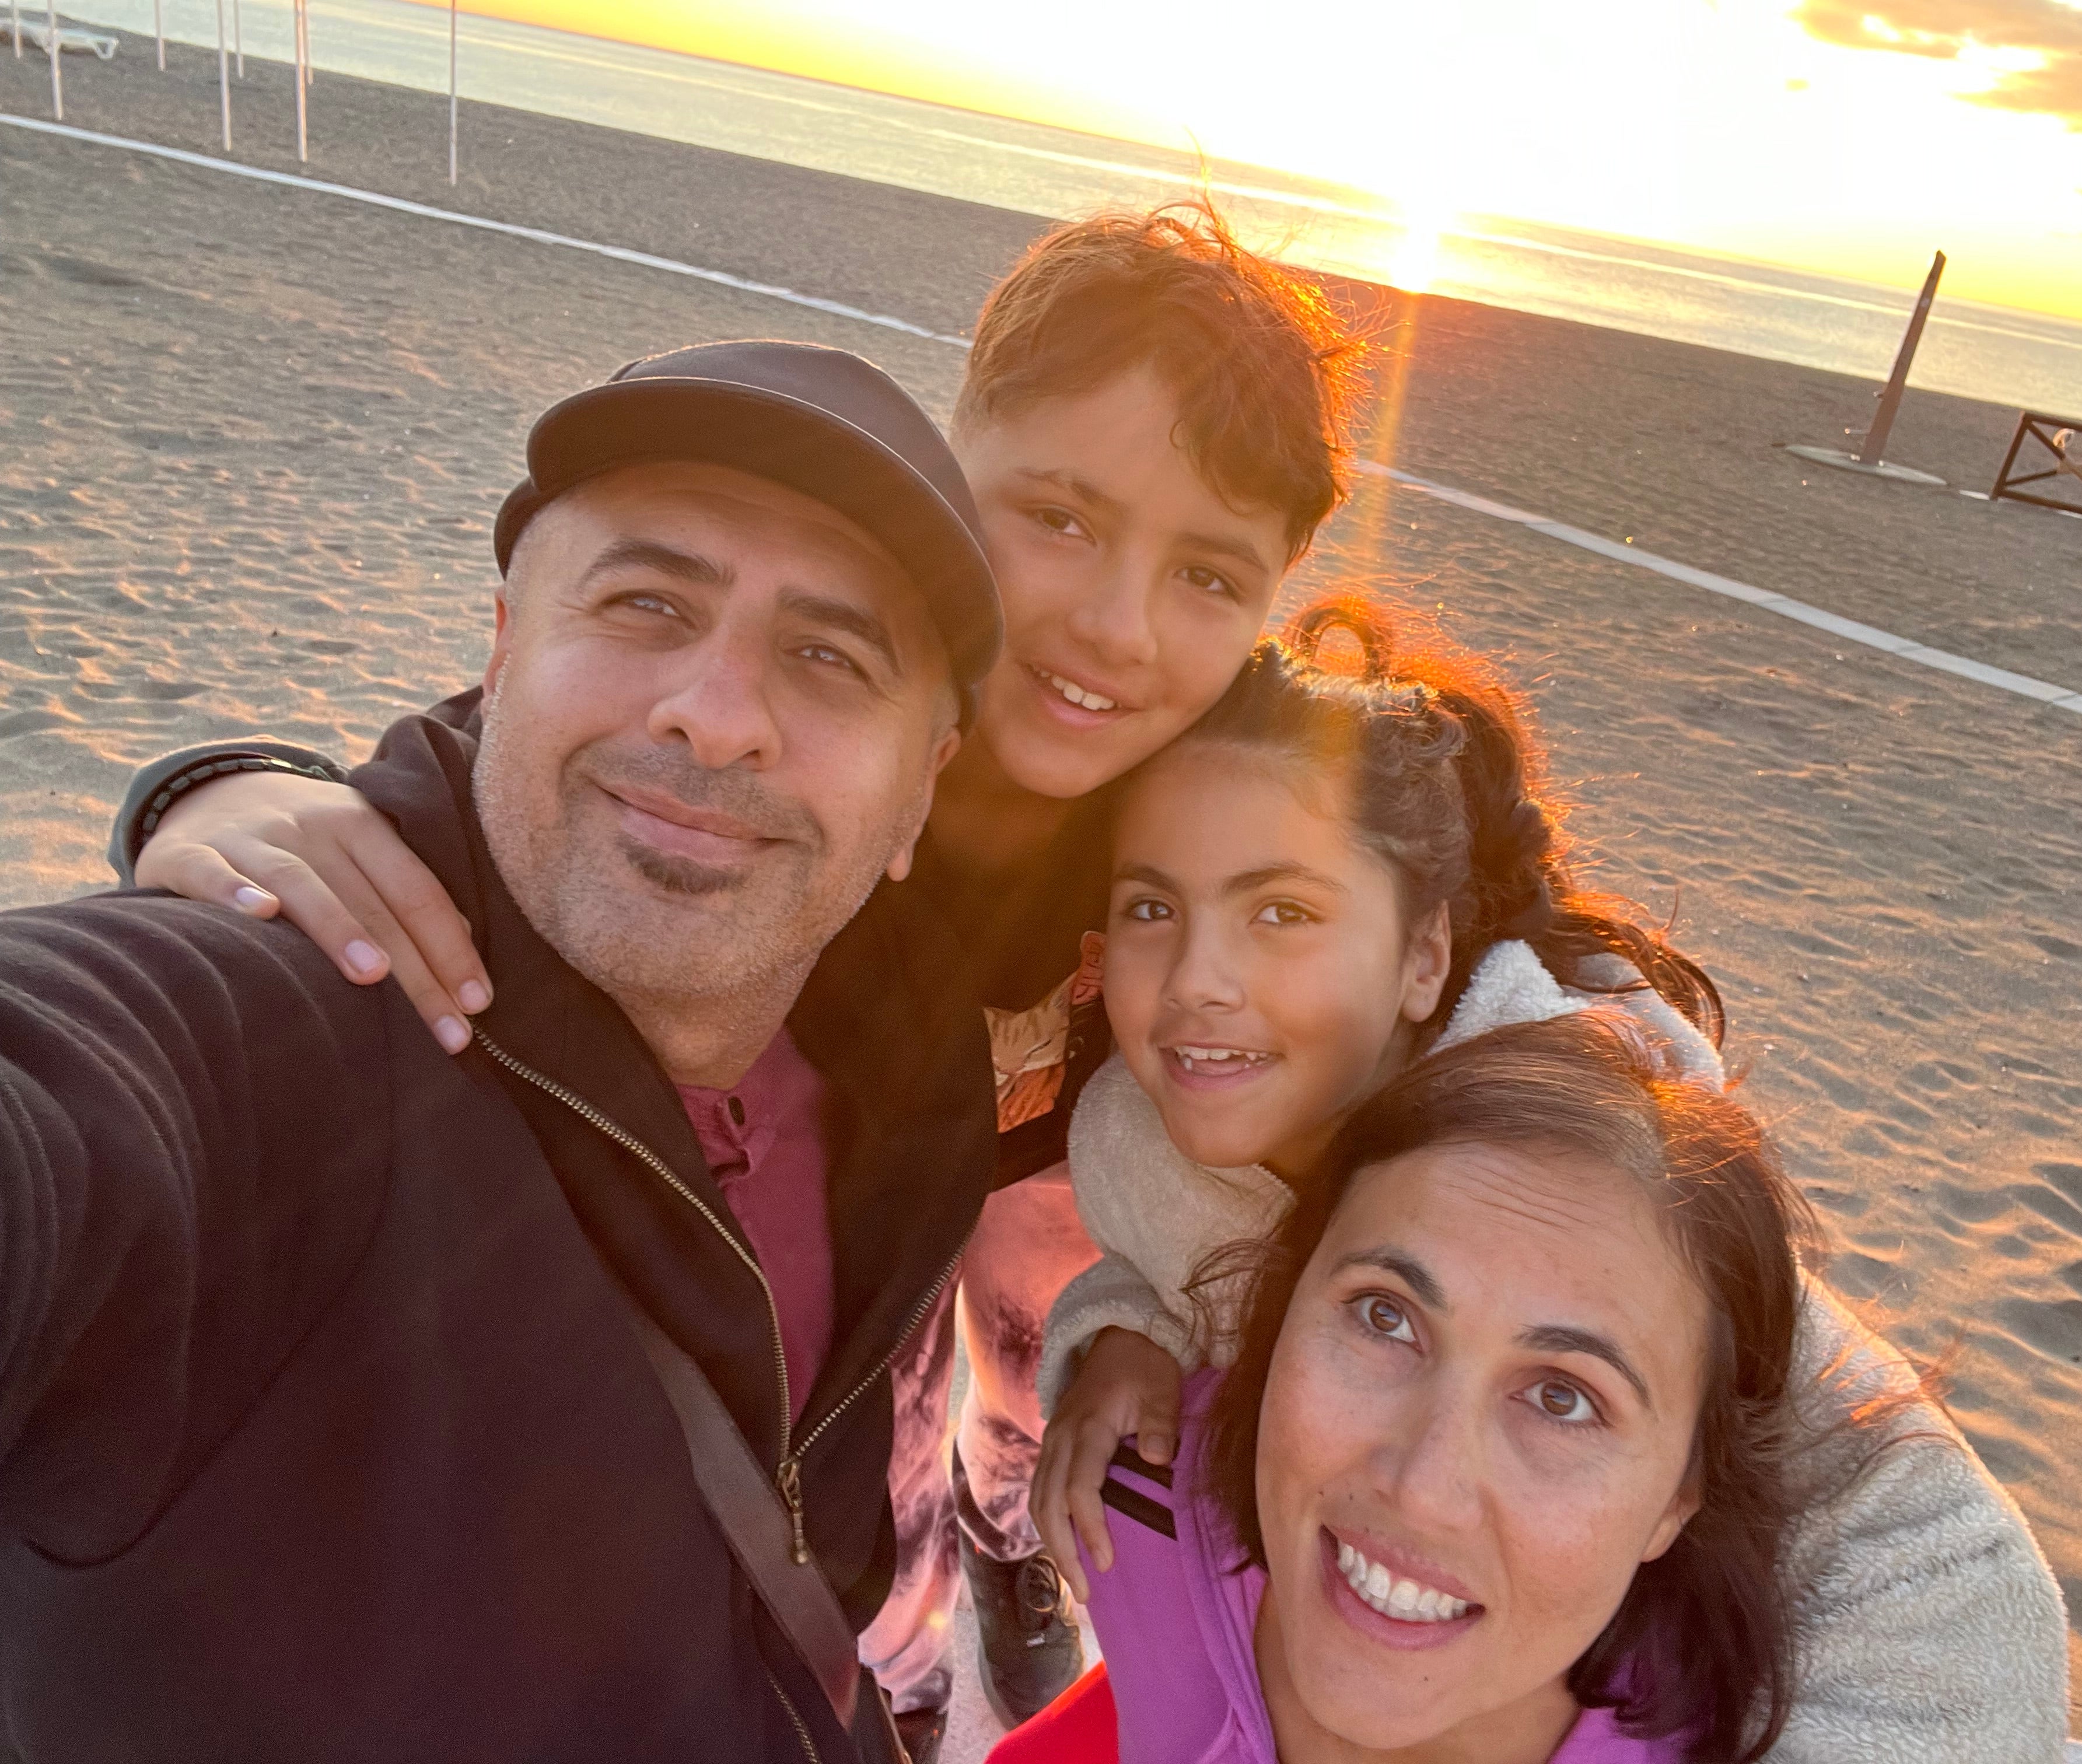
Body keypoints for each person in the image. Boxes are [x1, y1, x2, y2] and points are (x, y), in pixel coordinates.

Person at [102, 203, 1367, 1747]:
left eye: (1211, 579)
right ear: (956, 466)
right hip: (807, 1311)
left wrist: (1570, 1006)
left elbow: (1424, 871)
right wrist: (225, 790)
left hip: (1003, 1300)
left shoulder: (1207, 796)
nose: (1117, 626)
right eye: (1060, 517)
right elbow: (503, 767)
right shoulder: (786, 762)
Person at [0, 341, 1004, 1762]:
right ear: (499, 648)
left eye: (830, 658)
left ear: (922, 793)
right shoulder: (279, 1041)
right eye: (649, 602)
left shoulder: (909, 1108)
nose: (715, 714)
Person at [1020, 603, 2070, 1760]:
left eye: (1284, 911)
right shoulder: (1141, 1131)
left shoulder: (1607, 1183)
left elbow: (1952, 1564)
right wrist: (1123, 1330)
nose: (1200, 980)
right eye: (1153, 907)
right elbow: (1165, 1259)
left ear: (1425, 954)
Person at [1010, 1012, 1818, 1764]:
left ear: (1680, 1498)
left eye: (1562, 1398)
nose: (1422, 1491)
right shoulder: (1129, 1499)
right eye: (1384, 1318)